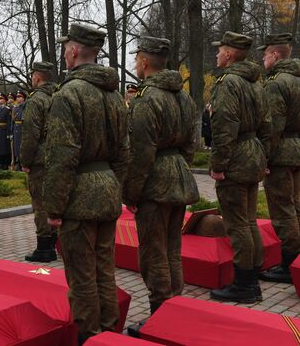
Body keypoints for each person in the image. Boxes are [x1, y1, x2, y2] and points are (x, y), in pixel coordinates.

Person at [43, 23, 129, 344]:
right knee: (104, 271)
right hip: (106, 191)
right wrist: (111, 184)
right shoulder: (114, 95)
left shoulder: (70, 94)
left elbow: (61, 156)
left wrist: (54, 206)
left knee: (81, 277)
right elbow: (124, 151)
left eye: (67, 47)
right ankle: (109, 334)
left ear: (75, 51)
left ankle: (88, 337)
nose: (65, 51)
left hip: (79, 195)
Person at [123, 36, 199, 335]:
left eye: (137, 59)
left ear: (144, 61)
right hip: (178, 174)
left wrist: (131, 192)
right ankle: (175, 308)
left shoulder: (146, 100)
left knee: (153, 252)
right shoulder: (184, 97)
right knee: (172, 250)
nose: (136, 64)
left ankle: (160, 316)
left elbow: (141, 154)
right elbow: (192, 145)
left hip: (155, 181)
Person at [208, 32, 271, 303]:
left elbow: (224, 127)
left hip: (235, 157)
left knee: (237, 224)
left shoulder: (228, 83)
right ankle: (252, 279)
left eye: (220, 50)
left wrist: (218, 164)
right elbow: (267, 126)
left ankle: (243, 285)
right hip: (253, 153)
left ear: (230, 54)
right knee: (249, 221)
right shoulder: (256, 83)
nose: (217, 54)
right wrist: (264, 157)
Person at [257, 33, 300, 283]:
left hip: (282, 153)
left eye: (265, 54)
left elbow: (273, 127)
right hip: (297, 150)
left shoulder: (276, 83)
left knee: (283, 209)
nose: (263, 58)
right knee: (296, 207)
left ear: (275, 55)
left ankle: (288, 263)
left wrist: (264, 159)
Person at [21, 61, 58, 262]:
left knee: (40, 203)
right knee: (54, 200)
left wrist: (25, 160)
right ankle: (53, 242)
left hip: (41, 159)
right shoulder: (59, 95)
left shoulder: (36, 101)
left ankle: (44, 247)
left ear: (36, 76)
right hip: (58, 156)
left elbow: (30, 134)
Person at [0, 92, 12, 170]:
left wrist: (9, 132)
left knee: (5, 148)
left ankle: (5, 163)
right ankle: (1, 163)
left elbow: (9, 122)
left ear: (5, 100)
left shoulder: (7, 110)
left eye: (1, 99)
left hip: (4, 130)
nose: (0, 100)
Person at [11, 91, 25, 171]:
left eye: (20, 97)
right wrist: (11, 131)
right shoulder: (15, 108)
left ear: (24, 98)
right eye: (17, 97)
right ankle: (18, 163)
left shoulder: (25, 107)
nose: (18, 99)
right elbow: (12, 121)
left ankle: (22, 163)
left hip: (22, 128)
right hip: (16, 129)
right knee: (16, 147)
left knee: (22, 147)